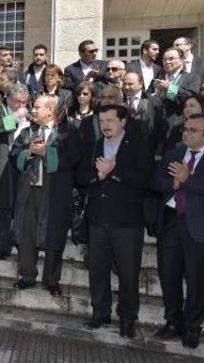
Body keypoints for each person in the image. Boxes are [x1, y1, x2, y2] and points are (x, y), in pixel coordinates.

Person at [76, 105, 153, 338]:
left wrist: (115, 170)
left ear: (123, 122)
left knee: (129, 274)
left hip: (127, 223)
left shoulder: (138, 145)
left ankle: (128, 319)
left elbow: (145, 179)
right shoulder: (96, 145)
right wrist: (97, 175)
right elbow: (80, 174)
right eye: (101, 121)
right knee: (97, 271)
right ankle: (100, 313)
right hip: (98, 219)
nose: (105, 125)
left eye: (110, 120)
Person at [152, 114, 204, 349]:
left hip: (202, 226)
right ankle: (173, 322)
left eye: (194, 130)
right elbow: (155, 182)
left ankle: (192, 328)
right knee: (168, 275)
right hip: (171, 221)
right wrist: (172, 184)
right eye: (186, 128)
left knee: (196, 280)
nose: (187, 133)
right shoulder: (174, 154)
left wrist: (187, 180)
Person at [11, 95, 81, 295]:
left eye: (37, 107)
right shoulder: (27, 132)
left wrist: (46, 153)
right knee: (26, 233)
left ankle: (51, 279)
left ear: (50, 110)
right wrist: (29, 153)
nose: (33, 110)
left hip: (54, 193)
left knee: (54, 235)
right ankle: (27, 275)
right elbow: (14, 155)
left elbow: (74, 158)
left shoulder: (69, 133)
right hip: (29, 191)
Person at [0, 84, 27, 260]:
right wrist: (13, 117)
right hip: (2, 162)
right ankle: (3, 247)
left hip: (22, 163)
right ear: (8, 99)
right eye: (18, 101)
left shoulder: (29, 112)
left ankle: (20, 241)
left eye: (24, 102)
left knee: (22, 204)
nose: (21, 105)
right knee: (2, 205)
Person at [154, 48, 201, 134]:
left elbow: (190, 97)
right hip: (156, 128)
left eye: (171, 59)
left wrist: (170, 88)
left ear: (181, 60)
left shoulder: (192, 78)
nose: (167, 62)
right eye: (165, 59)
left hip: (178, 127)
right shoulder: (157, 79)